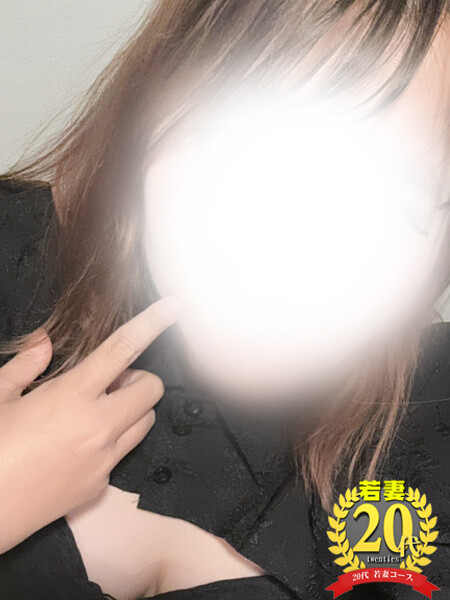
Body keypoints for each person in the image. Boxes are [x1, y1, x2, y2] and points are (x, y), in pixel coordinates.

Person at [0, 1, 449, 599]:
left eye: (388, 198)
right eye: (244, 144)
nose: (287, 242)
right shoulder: (13, 250)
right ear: (152, 110)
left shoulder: (428, 424)